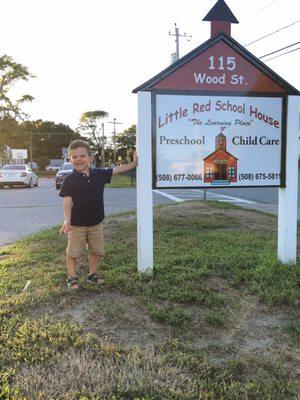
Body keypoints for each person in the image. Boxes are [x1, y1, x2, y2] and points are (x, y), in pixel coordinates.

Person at [59, 139, 137, 289]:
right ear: (70, 159)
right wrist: (67, 220)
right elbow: (67, 201)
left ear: (90, 158)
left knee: (96, 251)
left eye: (82, 156)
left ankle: (92, 274)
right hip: (76, 225)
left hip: (96, 224)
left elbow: (116, 170)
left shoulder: (99, 174)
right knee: (73, 253)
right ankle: (72, 277)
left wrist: (133, 164)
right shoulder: (69, 180)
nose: (78, 159)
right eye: (74, 157)